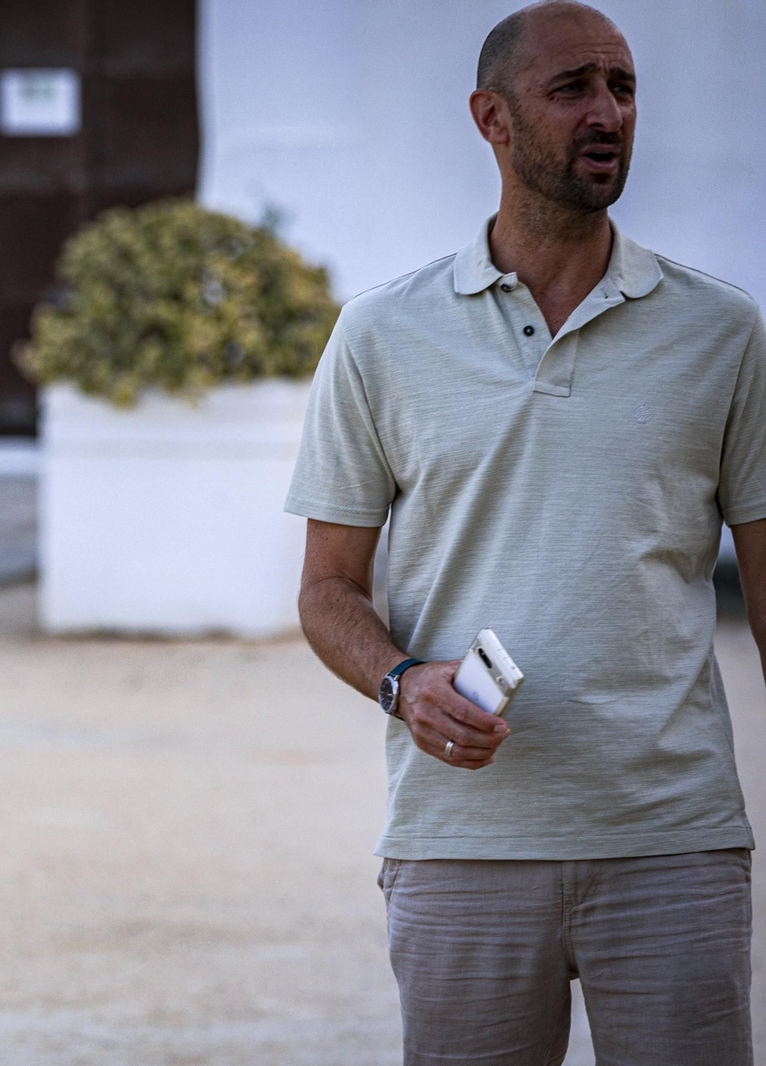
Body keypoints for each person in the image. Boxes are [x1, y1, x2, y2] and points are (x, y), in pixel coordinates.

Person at [285, 3, 766, 1062]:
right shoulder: (381, 335)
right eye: (571, 89)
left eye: (623, 88)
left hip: (672, 843)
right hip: (461, 840)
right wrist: (403, 682)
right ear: (491, 118)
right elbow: (326, 590)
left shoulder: (723, 333)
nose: (608, 114)